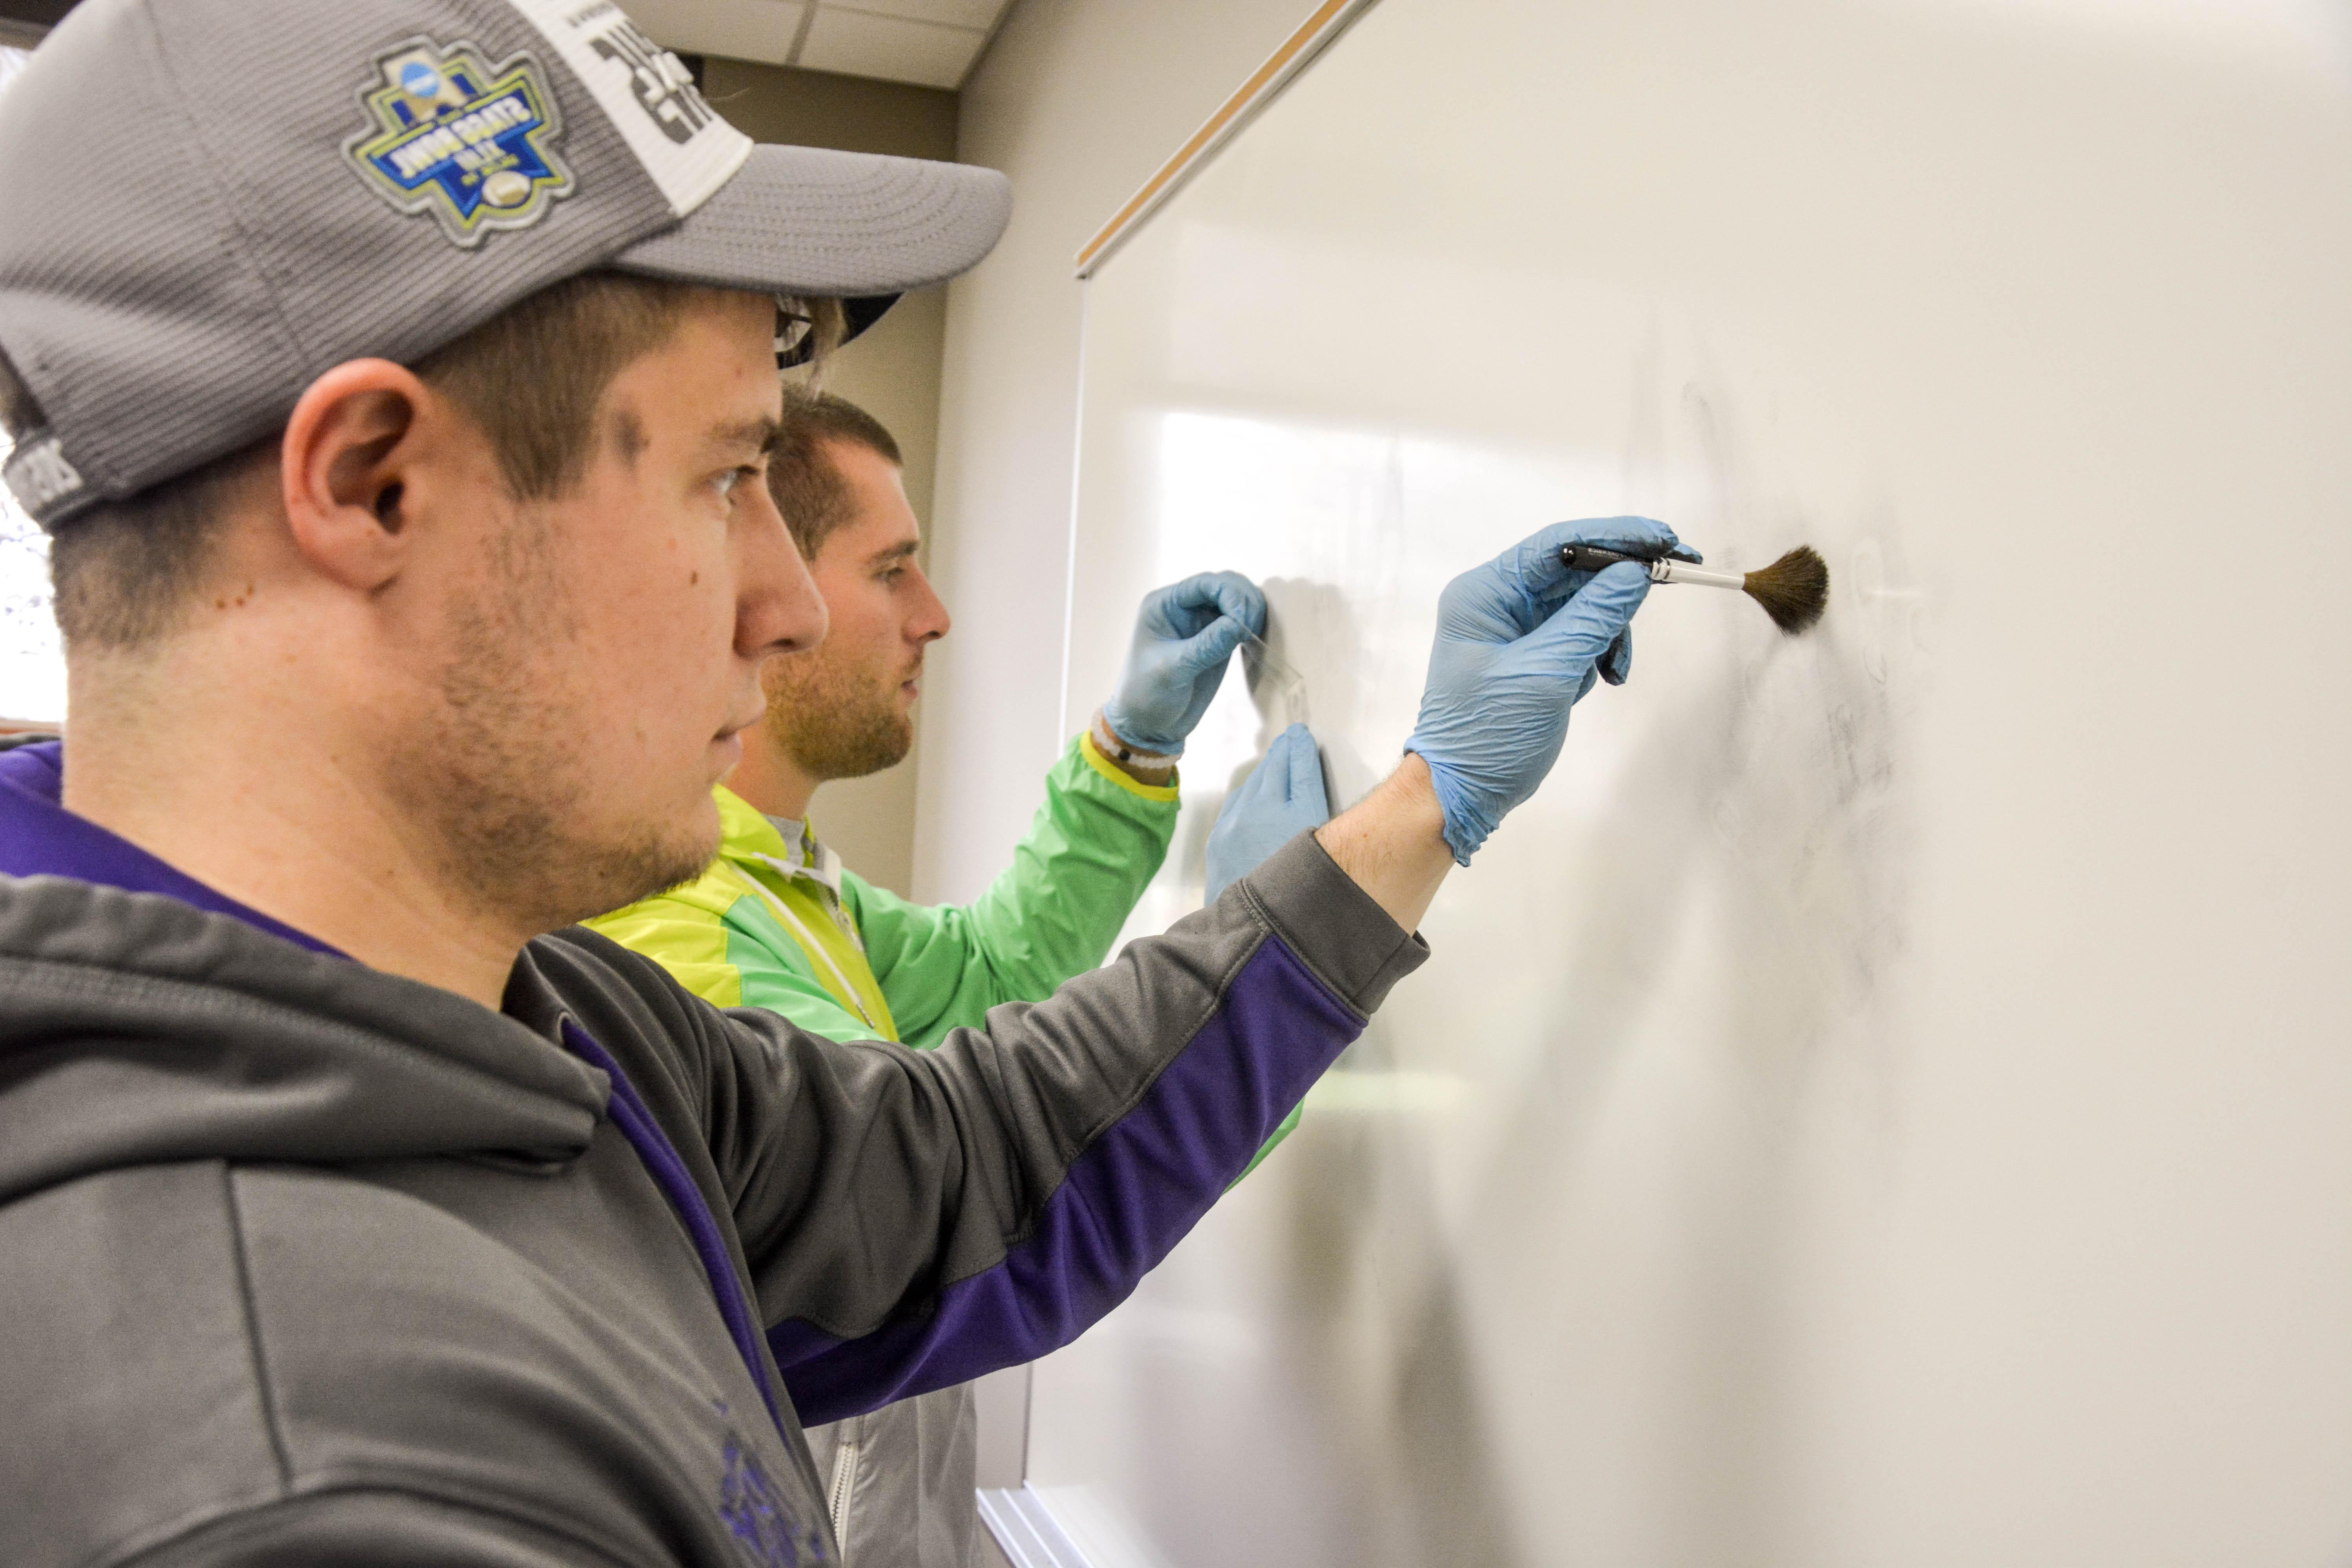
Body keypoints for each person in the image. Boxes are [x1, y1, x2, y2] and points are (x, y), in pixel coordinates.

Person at [0, 0, 1682, 1561]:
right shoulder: (293, 1476)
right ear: (375, 489)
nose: (791, 604)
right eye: (729, 475)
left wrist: (1416, 809)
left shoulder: (539, 1009)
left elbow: (970, 1165)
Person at [588, 391, 1328, 1566]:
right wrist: (1270, 947)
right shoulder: (679, 937)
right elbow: (961, 1184)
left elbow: (989, 976)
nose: (934, 617)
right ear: (765, 593)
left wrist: (1128, 756)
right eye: (893, 572)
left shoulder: (771, 881)